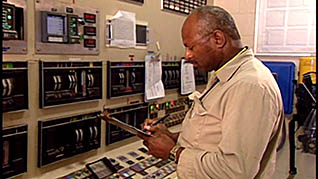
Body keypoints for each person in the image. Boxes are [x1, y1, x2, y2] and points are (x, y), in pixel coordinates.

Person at [138, 5, 284, 179]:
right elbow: (211, 137)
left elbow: (235, 170)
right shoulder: (225, 75)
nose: (187, 56)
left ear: (218, 39)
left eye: (191, 47)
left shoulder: (249, 86)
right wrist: (172, 137)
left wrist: (172, 152)